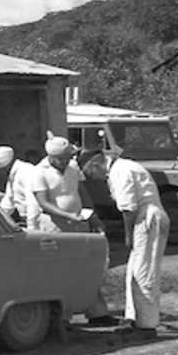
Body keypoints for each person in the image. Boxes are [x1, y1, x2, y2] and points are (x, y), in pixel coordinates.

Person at [27, 135, 115, 326]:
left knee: (87, 266)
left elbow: (82, 192)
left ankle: (97, 312)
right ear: (52, 157)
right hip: (54, 227)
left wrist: (92, 216)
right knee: (58, 270)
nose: (67, 161)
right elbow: (43, 202)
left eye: (68, 157)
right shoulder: (38, 172)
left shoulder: (73, 167)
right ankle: (62, 316)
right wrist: (67, 216)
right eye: (63, 158)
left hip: (78, 222)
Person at [106, 146, 170, 339]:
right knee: (133, 273)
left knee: (144, 273)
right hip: (145, 217)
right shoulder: (123, 167)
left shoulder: (120, 171)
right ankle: (134, 318)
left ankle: (146, 326)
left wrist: (128, 235)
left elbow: (129, 208)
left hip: (147, 219)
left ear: (96, 164)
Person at [0, 145, 35, 226]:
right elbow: (8, 202)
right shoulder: (13, 176)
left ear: (3, 168)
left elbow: (33, 202)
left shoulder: (26, 172)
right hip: (27, 220)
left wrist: (32, 226)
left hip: (35, 221)